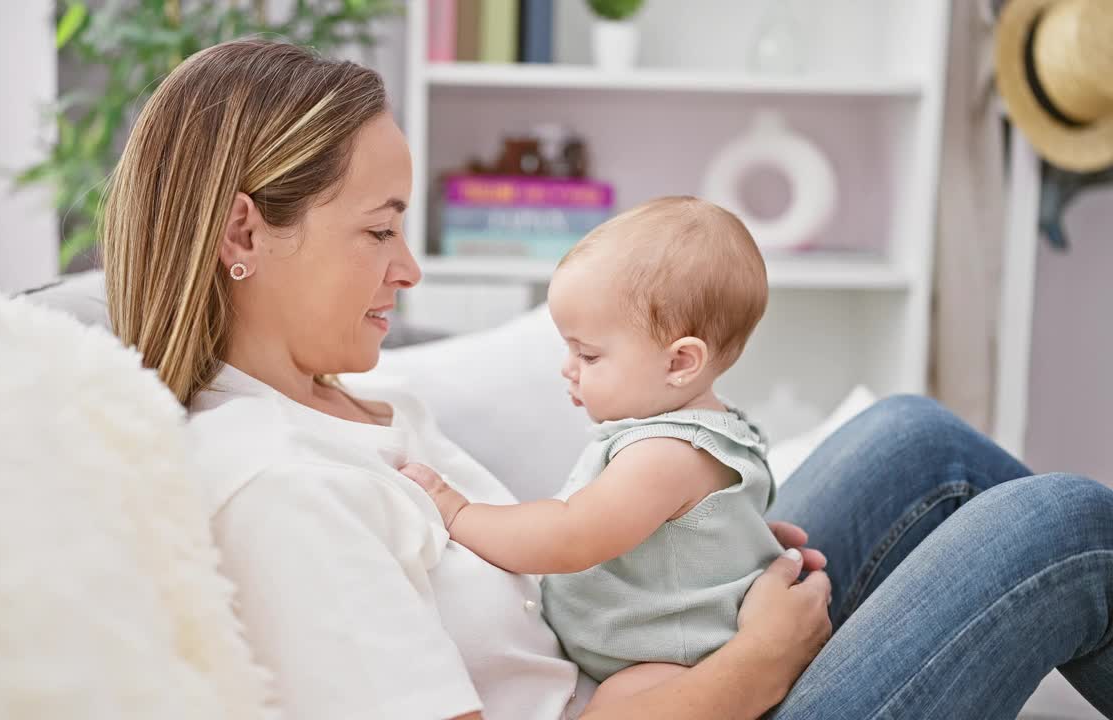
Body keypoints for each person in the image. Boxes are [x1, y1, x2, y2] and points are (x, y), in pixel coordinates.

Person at [101, 38, 1113, 720]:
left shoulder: (361, 405)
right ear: (244, 232)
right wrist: (747, 669)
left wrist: (708, 546)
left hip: (650, 664)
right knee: (1062, 527)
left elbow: (549, 573)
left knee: (912, 442)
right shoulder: (272, 484)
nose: (406, 268)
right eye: (378, 229)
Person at [401, 196, 787, 709]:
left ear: (681, 363)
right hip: (664, 637)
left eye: (588, 354)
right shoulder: (710, 427)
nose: (568, 367)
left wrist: (460, 512)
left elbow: (569, 534)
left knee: (618, 702)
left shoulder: (665, 453)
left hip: (678, 657)